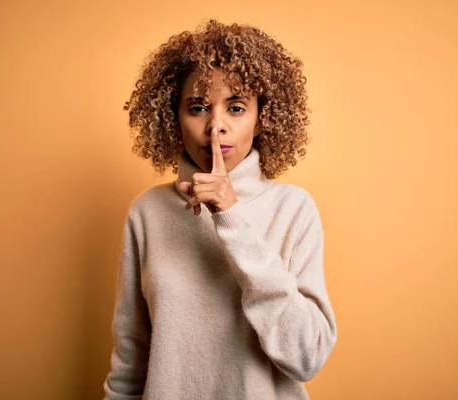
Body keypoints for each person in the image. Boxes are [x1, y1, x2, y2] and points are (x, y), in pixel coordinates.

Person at [104, 19, 337, 400]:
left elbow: (306, 356)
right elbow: (130, 359)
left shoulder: (293, 209)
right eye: (197, 107)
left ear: (262, 117)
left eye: (236, 107)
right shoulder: (147, 213)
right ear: (173, 119)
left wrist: (231, 218)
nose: (216, 126)